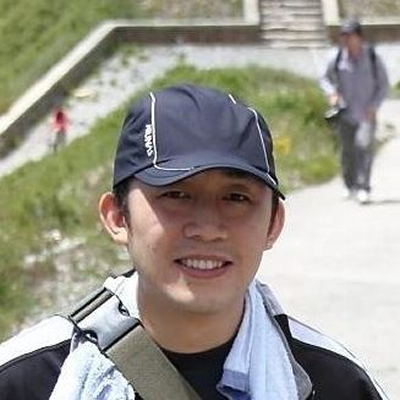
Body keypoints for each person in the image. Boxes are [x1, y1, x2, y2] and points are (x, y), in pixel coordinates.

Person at [0, 84, 389, 399]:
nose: (207, 228)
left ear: (273, 223)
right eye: (176, 194)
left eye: (236, 198)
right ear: (117, 217)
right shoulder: (29, 380)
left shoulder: (334, 383)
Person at [320, 19, 389, 204]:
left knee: (364, 148)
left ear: (359, 37)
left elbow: (383, 85)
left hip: (367, 114)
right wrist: (332, 93)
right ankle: (349, 184)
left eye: (349, 35)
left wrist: (374, 106)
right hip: (345, 113)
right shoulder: (336, 58)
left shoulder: (372, 57)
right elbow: (324, 79)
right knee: (347, 152)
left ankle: (364, 187)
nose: (346, 39)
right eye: (344, 35)